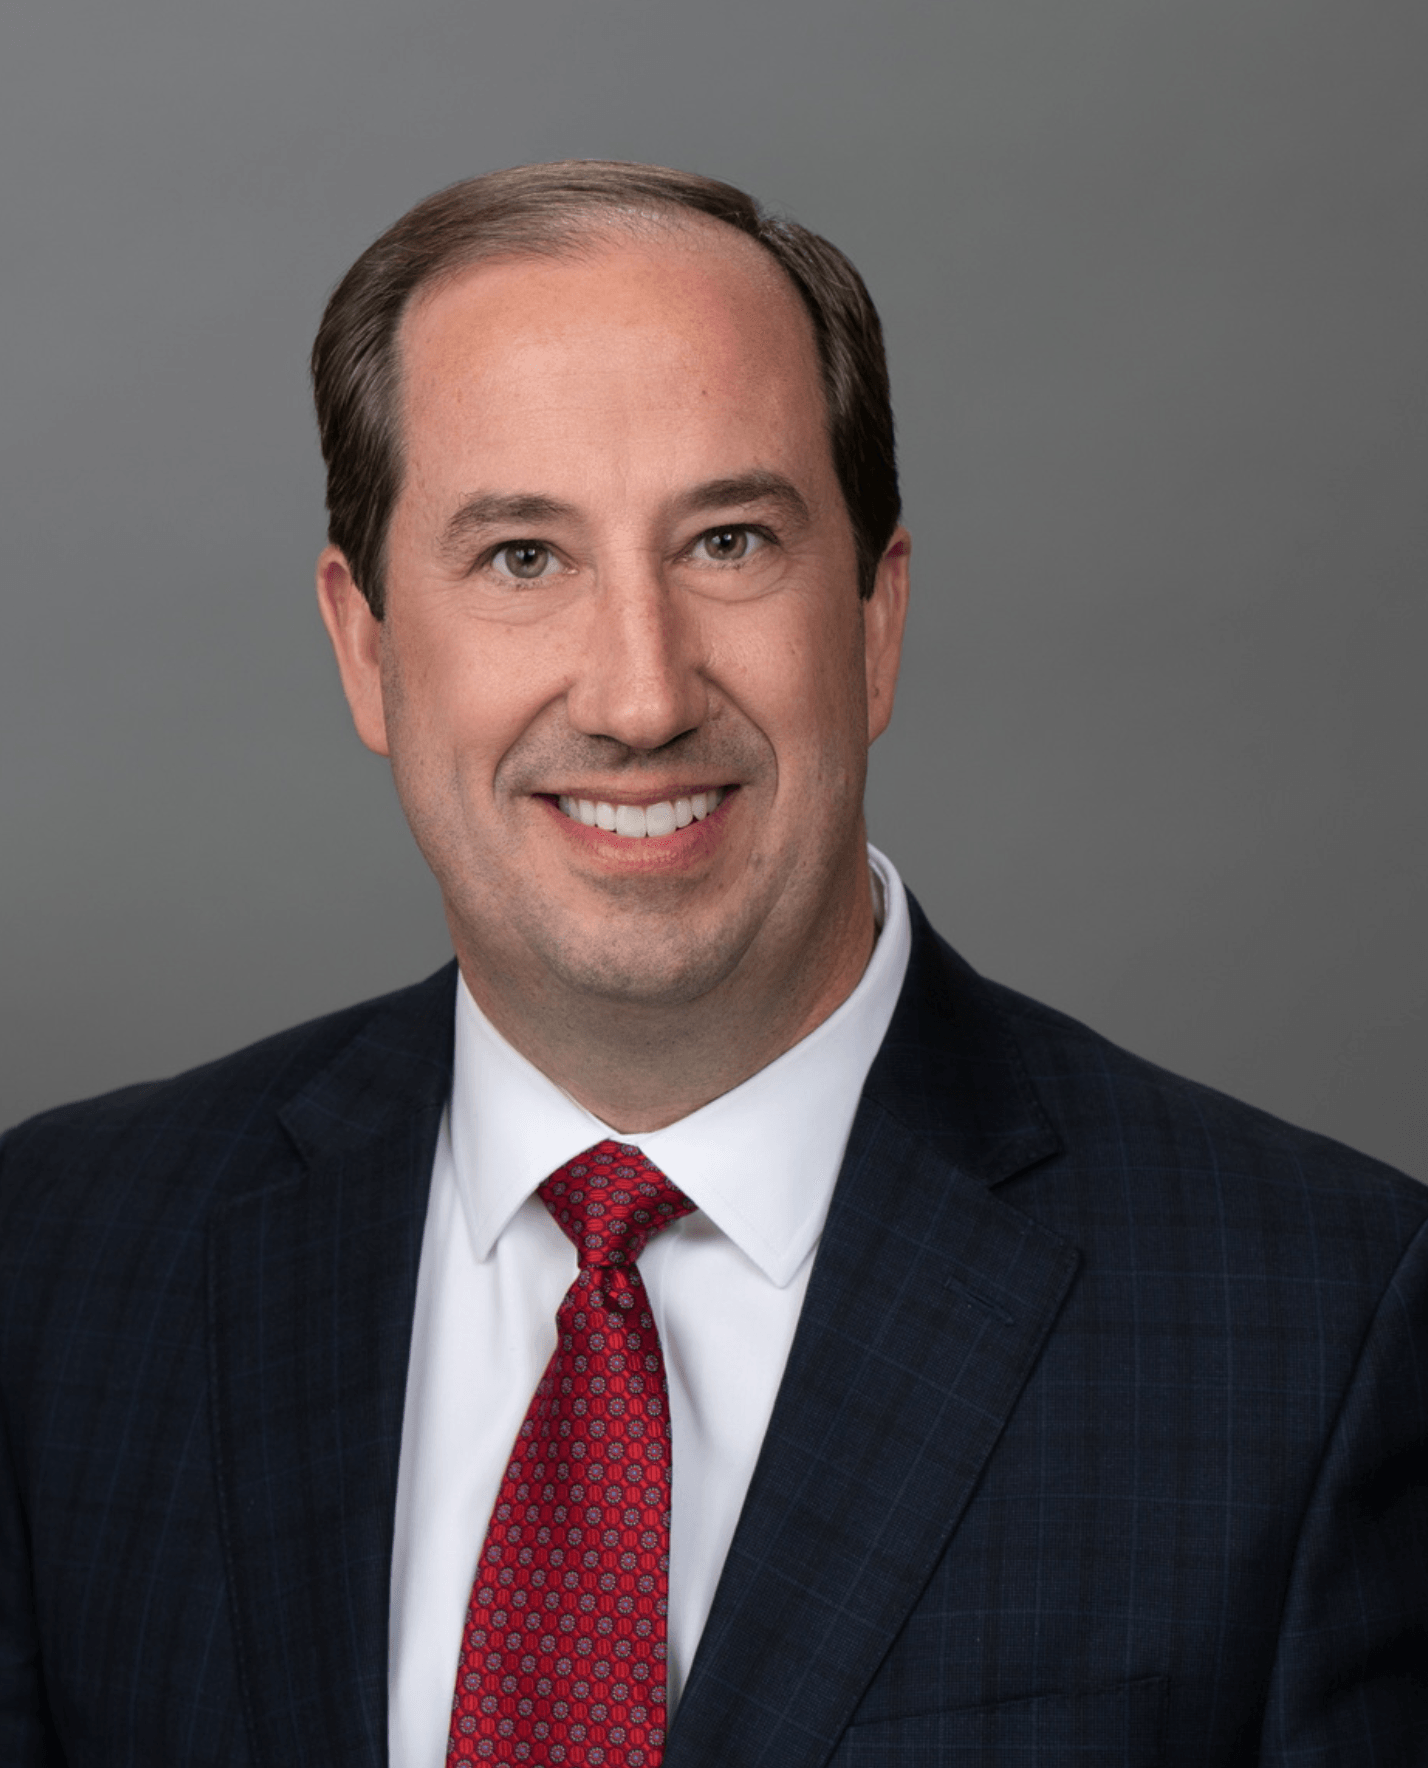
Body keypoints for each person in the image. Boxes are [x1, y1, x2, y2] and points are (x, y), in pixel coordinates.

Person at [1, 161, 1424, 1768]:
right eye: (523, 557)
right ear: (368, 646)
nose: (640, 697)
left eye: (729, 541)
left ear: (875, 620)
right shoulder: (59, 1268)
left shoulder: (1320, 1327)